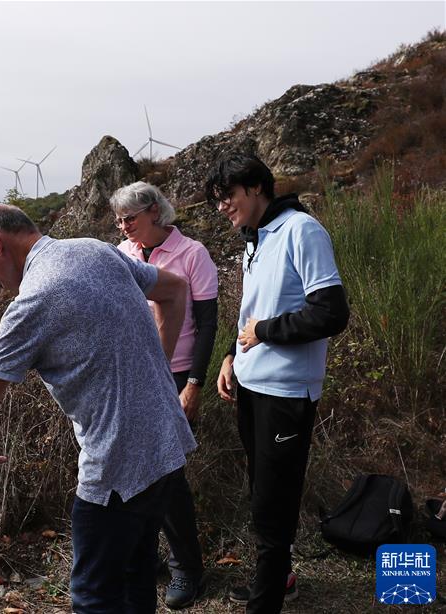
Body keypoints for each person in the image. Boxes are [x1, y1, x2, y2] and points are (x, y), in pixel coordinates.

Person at [0, 203, 194, 613]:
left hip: (117, 466)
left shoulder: (31, 303)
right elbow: (175, 291)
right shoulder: (95, 249)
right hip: (167, 445)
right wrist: (157, 368)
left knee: (92, 598)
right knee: (137, 576)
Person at [205, 153, 349, 613]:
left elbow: (331, 312)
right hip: (251, 386)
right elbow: (254, 310)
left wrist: (264, 332)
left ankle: (265, 602)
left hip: (286, 392)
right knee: (263, 490)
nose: (222, 206)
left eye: (227, 196)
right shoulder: (256, 237)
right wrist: (231, 353)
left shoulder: (302, 231)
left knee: (274, 500)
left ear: (255, 188)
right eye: (217, 199)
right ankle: (278, 577)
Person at [110, 181, 218, 609]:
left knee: (170, 476)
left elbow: (208, 323)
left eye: (130, 218)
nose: (123, 226)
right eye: (119, 219)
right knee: (135, 473)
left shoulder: (193, 253)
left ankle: (187, 568)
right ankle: (146, 557)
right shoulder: (121, 254)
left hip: (174, 375)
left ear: (154, 211)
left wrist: (195, 383)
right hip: (135, 374)